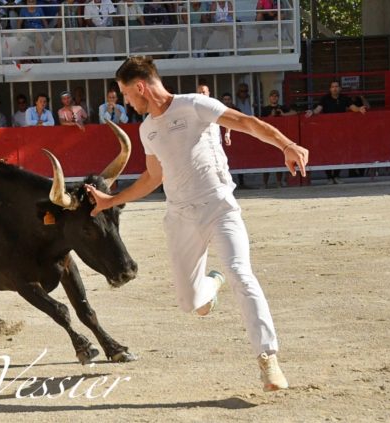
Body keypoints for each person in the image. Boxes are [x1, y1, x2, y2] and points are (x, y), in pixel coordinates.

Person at [86, 56, 308, 392]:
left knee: (241, 274)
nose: (127, 102)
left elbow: (245, 122)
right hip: (180, 218)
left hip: (219, 207)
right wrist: (110, 201)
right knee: (191, 303)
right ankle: (212, 283)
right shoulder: (148, 130)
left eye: (126, 94)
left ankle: (268, 359)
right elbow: (152, 178)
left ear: (140, 87)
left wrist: (286, 144)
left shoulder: (194, 105)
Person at [305, 80, 367, 184]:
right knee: (327, 153)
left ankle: (336, 176)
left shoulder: (344, 98)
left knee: (340, 152)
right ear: (330, 89)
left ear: (340, 88)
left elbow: (353, 108)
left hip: (340, 131)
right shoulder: (325, 98)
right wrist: (312, 112)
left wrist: (359, 109)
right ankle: (329, 177)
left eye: (336, 86)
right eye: (333, 87)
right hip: (327, 130)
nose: (334, 88)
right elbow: (318, 110)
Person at [259, 89, 296, 188]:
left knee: (279, 158)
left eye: (276, 96)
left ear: (278, 98)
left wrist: (283, 114)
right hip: (268, 136)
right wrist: (271, 115)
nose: (274, 98)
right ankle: (265, 183)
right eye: (272, 96)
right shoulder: (265, 109)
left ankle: (279, 182)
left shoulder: (283, 108)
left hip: (279, 136)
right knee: (266, 160)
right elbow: (261, 122)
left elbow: (294, 113)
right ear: (269, 98)